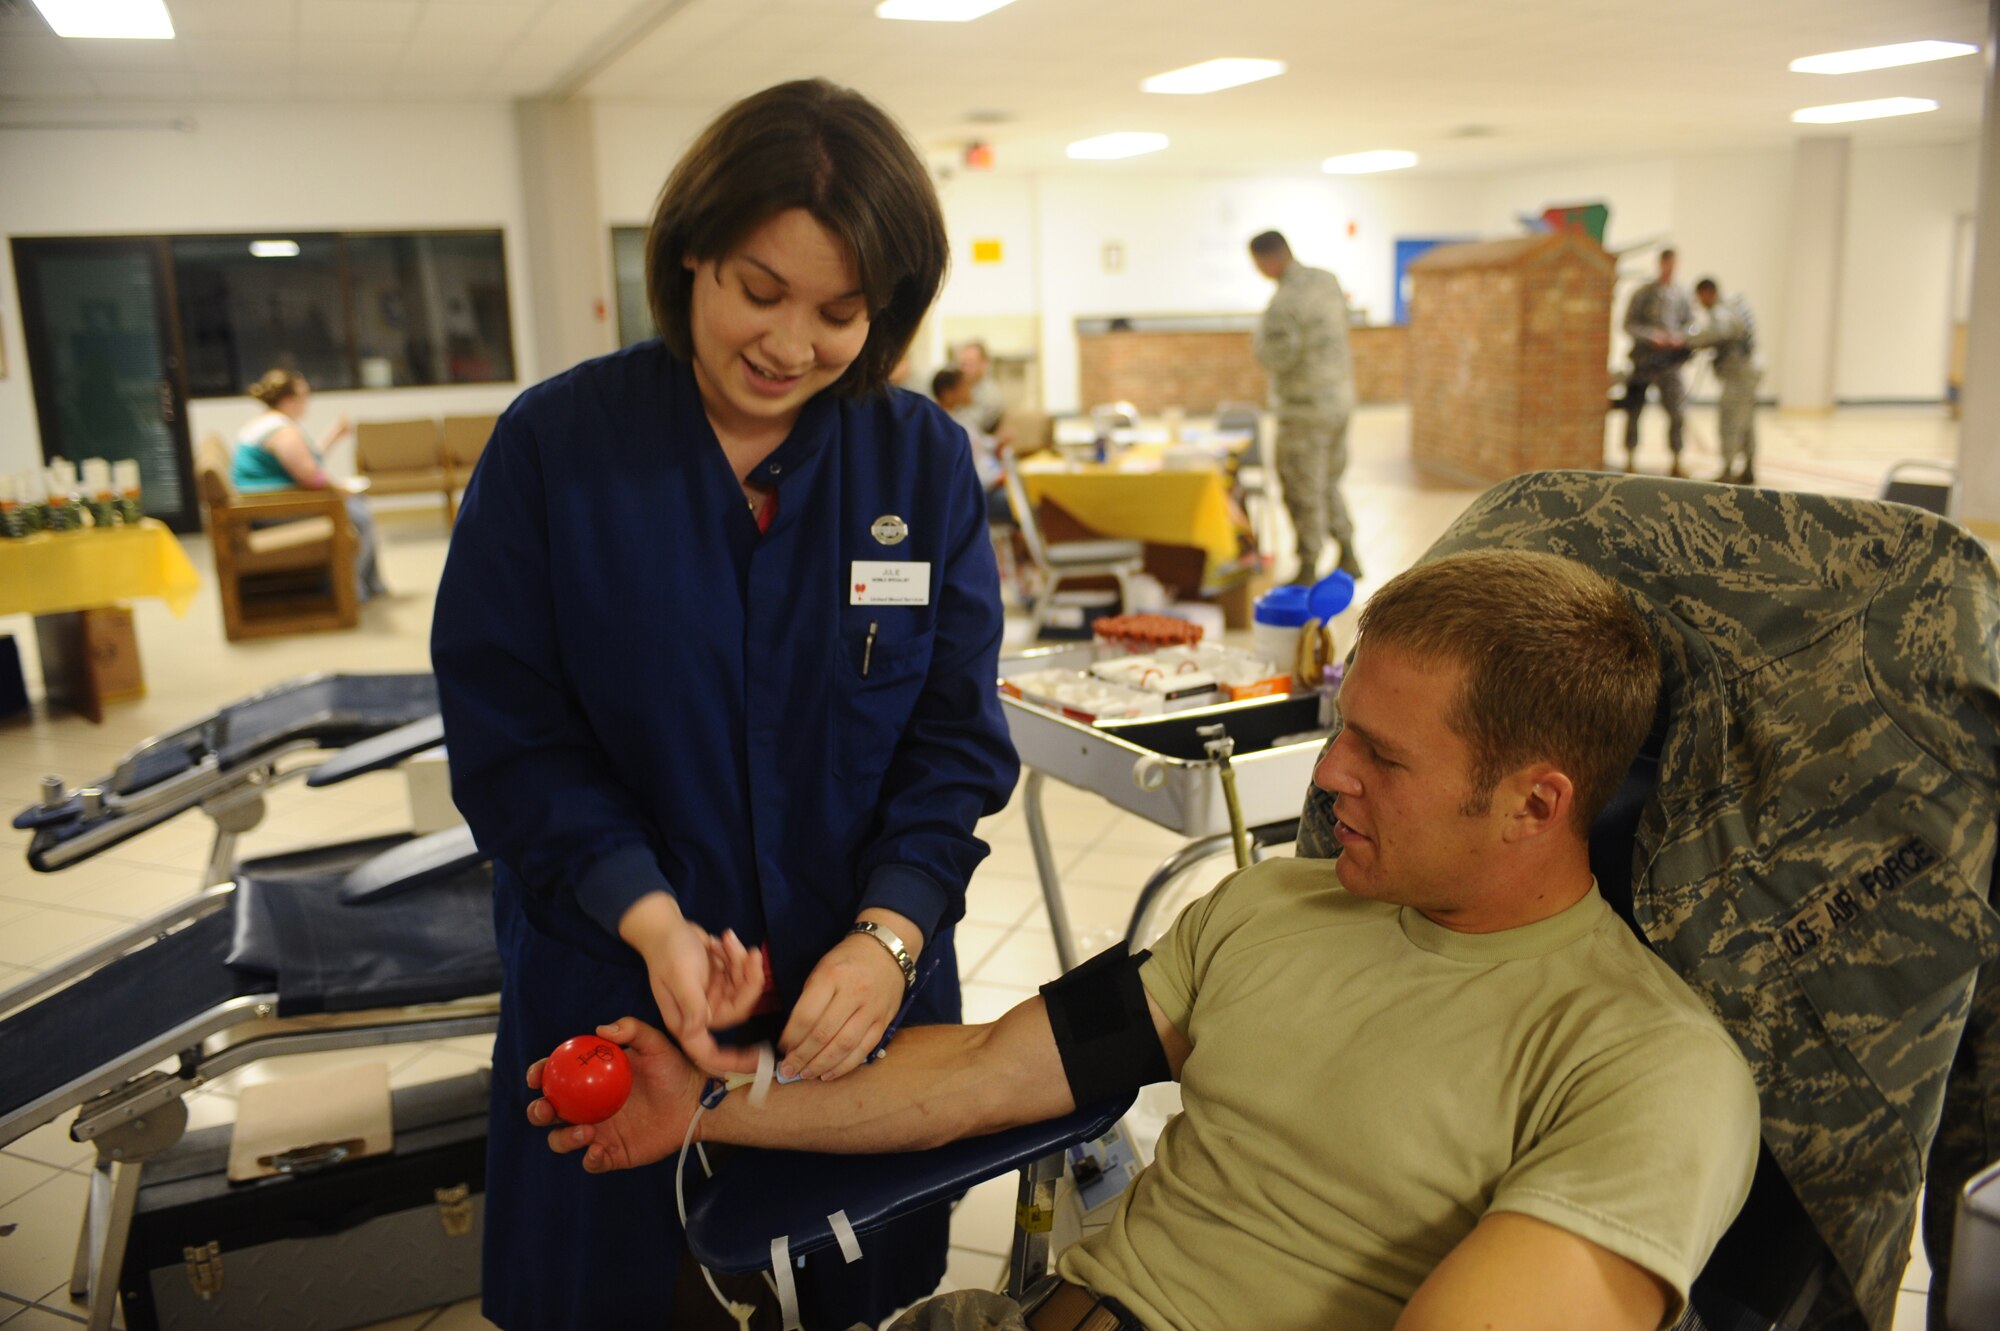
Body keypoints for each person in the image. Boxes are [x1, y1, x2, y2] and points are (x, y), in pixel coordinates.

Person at [528, 549, 1763, 1331]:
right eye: (1338, 726)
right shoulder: (1270, 908)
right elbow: (981, 1072)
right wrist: (708, 1096)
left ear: (1535, 802)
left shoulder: (1646, 1069)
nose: (1325, 775)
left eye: (1380, 755)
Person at [431, 78, 1019, 1330]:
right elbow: (513, 735)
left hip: (850, 1000)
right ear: (690, 253)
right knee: (629, 1294)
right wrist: (647, 917)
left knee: (849, 1283)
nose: (790, 344)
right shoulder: (556, 449)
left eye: (838, 312)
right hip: (615, 979)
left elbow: (953, 739)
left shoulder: (915, 460)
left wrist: (890, 936)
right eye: (759, 291)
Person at [1249, 230, 1361, 583]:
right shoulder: (1326, 281)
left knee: (1300, 485)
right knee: (1328, 481)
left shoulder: (1284, 303)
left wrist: (1259, 343)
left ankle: (1308, 564)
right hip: (1339, 401)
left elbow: (1277, 356)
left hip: (1304, 410)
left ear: (1267, 260)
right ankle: (1347, 551)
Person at [232, 368, 386, 601]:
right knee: (359, 515)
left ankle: (368, 584)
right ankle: (351, 590)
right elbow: (311, 477)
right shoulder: (282, 431)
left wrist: (333, 436)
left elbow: (307, 464)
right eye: (304, 396)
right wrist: (338, 490)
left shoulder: (266, 423)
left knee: (357, 504)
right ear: (288, 400)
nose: (307, 402)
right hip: (271, 508)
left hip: (265, 502)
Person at [1617, 249, 1696, 477]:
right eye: (1665, 264)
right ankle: (1630, 456)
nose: (1669, 269)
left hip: (1670, 365)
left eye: (1673, 264)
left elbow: (1691, 325)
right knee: (1634, 409)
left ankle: (1677, 457)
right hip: (1644, 361)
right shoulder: (1643, 293)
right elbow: (1629, 324)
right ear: (1660, 264)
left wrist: (1679, 337)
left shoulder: (1682, 295)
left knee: (1677, 412)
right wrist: (1652, 336)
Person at [1687, 277, 1760, 484]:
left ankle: (1728, 470)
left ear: (1708, 293)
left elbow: (1719, 331)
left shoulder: (1721, 312)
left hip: (1738, 376)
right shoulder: (1732, 307)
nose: (1699, 302)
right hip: (1747, 373)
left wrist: (1689, 338)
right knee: (1746, 423)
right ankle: (1748, 468)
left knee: (1729, 421)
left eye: (1700, 297)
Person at [933, 365, 1014, 526]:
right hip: (975, 494)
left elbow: (981, 446)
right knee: (1019, 503)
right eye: (964, 386)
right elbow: (967, 469)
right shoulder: (944, 425)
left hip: (989, 483)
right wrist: (997, 478)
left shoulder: (961, 418)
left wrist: (997, 444)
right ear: (948, 393)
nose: (970, 391)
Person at [952, 338, 1007, 434]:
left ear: (984, 364)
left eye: (971, 363)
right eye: (963, 363)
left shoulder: (990, 394)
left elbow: (970, 427)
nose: (965, 368)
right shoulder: (958, 388)